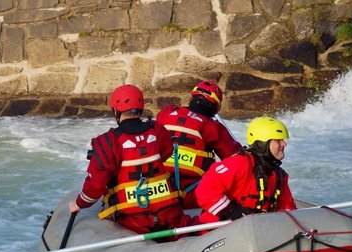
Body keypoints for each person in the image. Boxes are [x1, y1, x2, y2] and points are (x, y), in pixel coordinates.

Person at [69, 84, 191, 235]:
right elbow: (166, 153)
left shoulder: (107, 141)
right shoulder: (157, 129)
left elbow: (95, 186)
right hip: (171, 217)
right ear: (141, 107)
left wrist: (79, 203)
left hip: (132, 223)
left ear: (115, 111)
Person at [194, 116, 297, 225]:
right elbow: (205, 191)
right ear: (262, 143)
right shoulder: (239, 163)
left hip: (254, 230)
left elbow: (288, 208)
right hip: (218, 230)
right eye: (278, 140)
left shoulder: (280, 175)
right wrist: (232, 211)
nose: (284, 144)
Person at [156, 80, 242, 209]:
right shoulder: (212, 127)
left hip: (160, 189)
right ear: (215, 107)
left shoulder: (166, 112)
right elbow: (235, 159)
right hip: (193, 194)